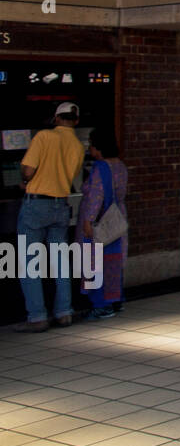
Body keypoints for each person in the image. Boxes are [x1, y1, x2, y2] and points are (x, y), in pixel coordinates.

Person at [16, 102, 86, 332]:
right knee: (60, 261)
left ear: (56, 118)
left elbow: (28, 169)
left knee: (30, 262)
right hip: (61, 205)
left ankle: (37, 317)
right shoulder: (77, 145)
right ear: (75, 121)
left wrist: (25, 182)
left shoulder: (44, 137)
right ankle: (64, 313)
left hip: (36, 204)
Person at [78, 127, 128, 319]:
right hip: (117, 216)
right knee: (113, 260)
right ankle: (116, 300)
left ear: (98, 148)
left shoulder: (100, 167)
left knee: (95, 261)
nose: (90, 149)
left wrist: (88, 221)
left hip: (100, 219)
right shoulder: (120, 166)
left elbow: (95, 196)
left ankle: (101, 304)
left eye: (91, 145)